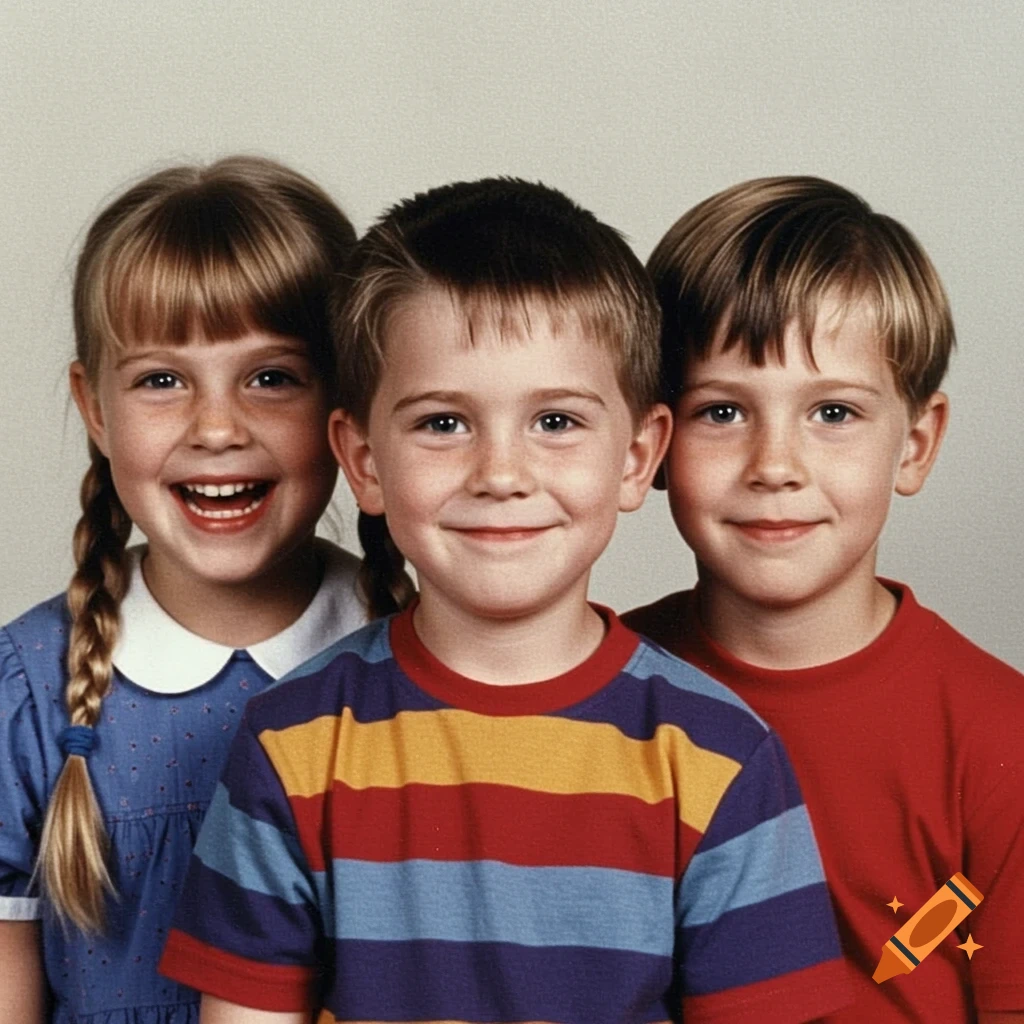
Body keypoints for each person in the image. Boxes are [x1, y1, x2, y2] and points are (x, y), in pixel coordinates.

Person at [158, 177, 852, 1024]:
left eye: (555, 422)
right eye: (443, 424)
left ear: (636, 456)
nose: (501, 475)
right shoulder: (291, 745)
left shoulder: (720, 758)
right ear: (364, 460)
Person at [623, 175, 1024, 1022]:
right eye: (723, 410)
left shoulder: (1000, 738)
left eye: (833, 411)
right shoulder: (600, 686)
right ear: (653, 444)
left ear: (914, 446)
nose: (776, 463)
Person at [0, 156, 373, 1024]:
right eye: (162, 380)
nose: (216, 426)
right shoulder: (27, 689)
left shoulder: (415, 659)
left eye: (271, 376)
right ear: (95, 408)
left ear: (346, 400)